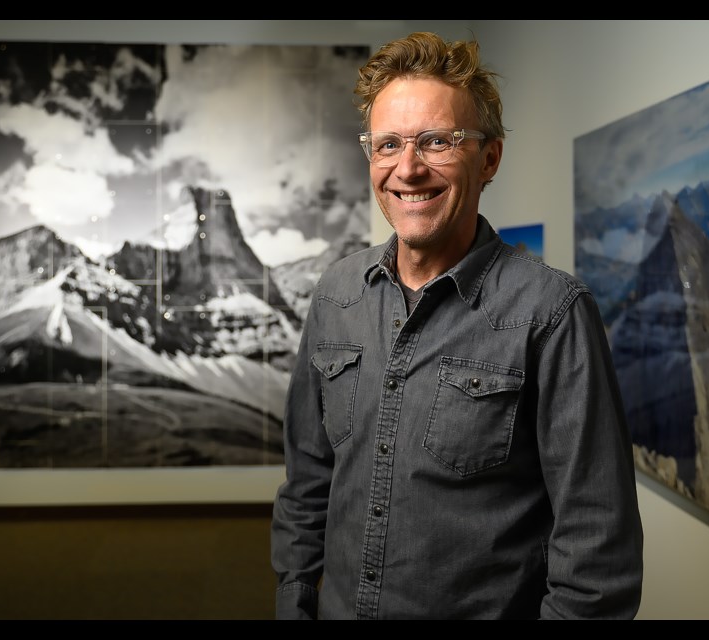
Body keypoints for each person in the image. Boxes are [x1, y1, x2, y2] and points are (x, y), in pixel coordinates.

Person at [270, 31, 644, 620]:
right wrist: (294, 594)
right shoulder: (336, 296)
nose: (408, 169)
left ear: (489, 158)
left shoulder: (552, 314)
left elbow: (597, 554)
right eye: (387, 144)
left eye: (437, 142)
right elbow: (309, 477)